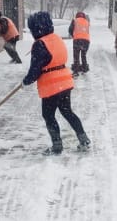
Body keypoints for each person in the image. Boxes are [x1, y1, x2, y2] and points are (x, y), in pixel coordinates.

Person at [22, 11, 91, 155]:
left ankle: (57, 146)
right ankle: (83, 139)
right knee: (67, 112)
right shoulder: (56, 38)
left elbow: (35, 70)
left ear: (36, 28)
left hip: (51, 86)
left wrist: (26, 81)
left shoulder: (40, 44)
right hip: (65, 83)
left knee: (48, 116)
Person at [68, 11, 90, 76]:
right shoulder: (87, 22)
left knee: (76, 55)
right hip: (86, 41)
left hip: (77, 40)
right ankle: (84, 67)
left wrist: (73, 35)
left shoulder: (74, 20)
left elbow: (70, 30)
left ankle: (76, 70)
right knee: (83, 55)